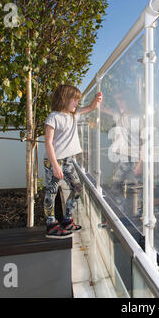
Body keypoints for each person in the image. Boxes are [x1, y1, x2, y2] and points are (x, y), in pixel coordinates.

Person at [44, 84, 103, 239]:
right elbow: (48, 142)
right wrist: (55, 166)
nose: (77, 103)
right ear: (65, 99)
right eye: (75, 100)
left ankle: (67, 220)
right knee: (52, 192)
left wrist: (95, 101)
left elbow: (89, 108)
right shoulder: (54, 117)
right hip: (54, 161)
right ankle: (51, 225)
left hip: (68, 160)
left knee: (77, 188)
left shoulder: (73, 115)